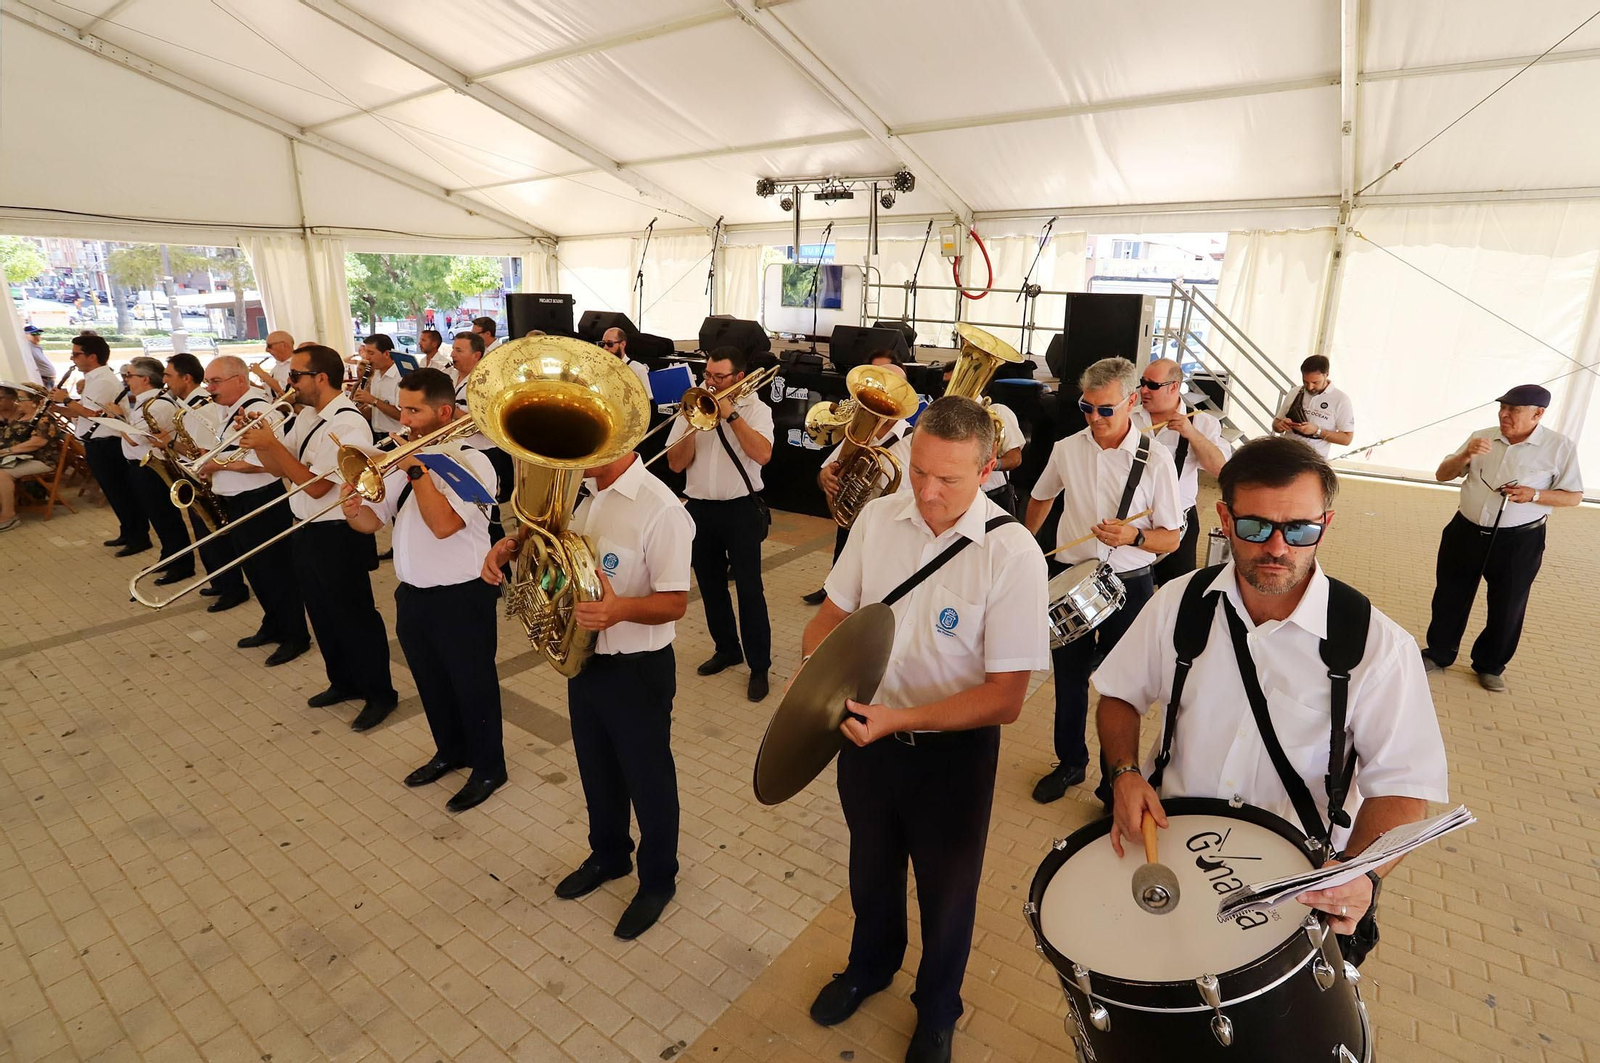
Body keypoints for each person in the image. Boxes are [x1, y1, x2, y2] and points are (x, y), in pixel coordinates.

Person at [1094, 436, 1448, 961]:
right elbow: (1119, 695)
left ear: (1325, 525)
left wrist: (1362, 874)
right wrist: (1123, 773)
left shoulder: (1377, 647)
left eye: (1300, 530)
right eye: (1256, 526)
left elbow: (1402, 788)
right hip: (1170, 855)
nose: (1278, 548)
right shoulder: (1179, 605)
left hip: (1292, 889)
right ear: (1224, 517)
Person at [802, 397, 1050, 1063]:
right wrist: (815, 680)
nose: (929, 492)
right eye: (919, 473)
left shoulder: (1014, 554)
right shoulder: (879, 519)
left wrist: (901, 719)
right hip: (864, 737)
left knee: (947, 889)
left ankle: (938, 1005)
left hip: (952, 756)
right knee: (870, 868)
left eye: (949, 479)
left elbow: (1006, 698)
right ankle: (870, 965)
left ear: (988, 468)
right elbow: (830, 615)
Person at [486, 429, 695, 939]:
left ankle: (658, 879)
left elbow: (675, 602)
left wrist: (619, 608)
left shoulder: (660, 509)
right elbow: (556, 550)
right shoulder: (586, 495)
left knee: (648, 777)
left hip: (638, 671)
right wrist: (513, 547)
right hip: (586, 660)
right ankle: (609, 855)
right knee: (595, 766)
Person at [342, 368, 506, 812]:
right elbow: (370, 523)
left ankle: (490, 766)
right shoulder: (402, 457)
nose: (404, 419)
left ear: (444, 412)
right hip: (412, 593)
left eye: (414, 410)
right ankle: (451, 751)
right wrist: (351, 507)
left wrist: (417, 469)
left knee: (473, 685)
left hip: (462, 595)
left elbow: (444, 525)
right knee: (432, 682)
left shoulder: (473, 462)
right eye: (403, 408)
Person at [1024, 357, 1183, 805]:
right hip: (1072, 577)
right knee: (1068, 680)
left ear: (1132, 402)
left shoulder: (1156, 461)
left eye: (1106, 409)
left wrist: (1134, 535)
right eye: (1086, 407)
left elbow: (1170, 538)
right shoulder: (1068, 448)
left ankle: (1117, 779)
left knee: (1123, 688)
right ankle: (1071, 763)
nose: (1095, 418)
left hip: (1130, 584)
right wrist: (1025, 548)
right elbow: (1040, 497)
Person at [240, 344, 397, 729]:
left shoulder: (347, 425)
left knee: (353, 615)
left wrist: (274, 446)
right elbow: (282, 466)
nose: (287, 382)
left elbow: (314, 488)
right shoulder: (308, 415)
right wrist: (260, 444)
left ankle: (380, 694)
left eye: (295, 375)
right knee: (321, 613)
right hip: (305, 529)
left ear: (320, 378)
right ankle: (342, 681)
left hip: (339, 532)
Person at [1420, 384, 1583, 692]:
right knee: (1450, 595)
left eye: (1514, 410)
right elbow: (1443, 474)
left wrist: (1534, 494)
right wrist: (1466, 454)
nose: (1505, 415)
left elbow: (1573, 497)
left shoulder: (1559, 447)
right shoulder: (1482, 437)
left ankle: (1490, 665)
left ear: (1538, 413)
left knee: (1507, 606)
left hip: (1518, 541)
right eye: (1503, 408)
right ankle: (1439, 653)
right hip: (1465, 531)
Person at [666, 346, 775, 701]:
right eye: (707, 375)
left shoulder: (758, 410)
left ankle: (759, 665)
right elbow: (676, 465)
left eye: (718, 377)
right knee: (711, 586)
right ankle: (727, 648)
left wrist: (730, 416)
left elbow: (762, 454)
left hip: (741, 509)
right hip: (700, 509)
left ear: (738, 378)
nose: (708, 382)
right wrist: (695, 425)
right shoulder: (692, 407)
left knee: (749, 589)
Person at [195, 356, 310, 666]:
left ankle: (295, 636)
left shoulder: (259, 410)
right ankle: (273, 624)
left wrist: (216, 464)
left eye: (215, 381)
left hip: (259, 500)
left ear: (240, 381)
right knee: (256, 570)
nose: (209, 387)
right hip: (237, 500)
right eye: (208, 381)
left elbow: (265, 465)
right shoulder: (230, 409)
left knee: (276, 573)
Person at [802, 353, 913, 606]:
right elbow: (828, 472)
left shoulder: (914, 440)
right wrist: (825, 477)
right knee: (842, 605)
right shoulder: (857, 430)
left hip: (894, 539)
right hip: (852, 530)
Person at [1130, 358, 1231, 584]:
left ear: (1174, 387)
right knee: (1133, 586)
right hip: (1133, 518)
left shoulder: (1202, 422)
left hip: (1178, 520)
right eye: (1142, 383)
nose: (1144, 390)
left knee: (1178, 587)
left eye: (1153, 385)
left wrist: (1191, 434)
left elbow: (1221, 468)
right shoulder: (1130, 419)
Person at [161, 352, 248, 610]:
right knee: (205, 536)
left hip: (212, 479)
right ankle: (220, 581)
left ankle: (231, 586)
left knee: (215, 536)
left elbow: (207, 448)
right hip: (202, 475)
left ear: (186, 378)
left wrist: (171, 445)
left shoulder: (204, 408)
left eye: (168, 375)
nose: (164, 381)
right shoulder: (193, 405)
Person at [49, 334, 149, 554]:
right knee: (114, 492)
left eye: (76, 354)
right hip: (97, 443)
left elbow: (93, 414)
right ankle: (128, 531)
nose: (72, 358)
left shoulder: (103, 380)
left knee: (122, 492)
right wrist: (53, 407)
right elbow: (82, 415)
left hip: (108, 443)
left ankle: (139, 537)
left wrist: (65, 399)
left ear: (92, 356)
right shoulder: (95, 379)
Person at [120, 357, 195, 585]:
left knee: (166, 517)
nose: (126, 380)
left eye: (129, 376)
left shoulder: (159, 403)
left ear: (144, 379)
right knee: (157, 517)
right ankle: (168, 557)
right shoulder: (143, 401)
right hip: (141, 467)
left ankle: (182, 564)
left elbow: (135, 438)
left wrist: (117, 418)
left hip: (155, 468)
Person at [0, 389, 64, 531]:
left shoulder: (44, 418)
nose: (17, 401)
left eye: (21, 399)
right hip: (21, 458)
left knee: (3, 474)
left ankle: (9, 515)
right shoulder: (22, 416)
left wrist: (8, 451)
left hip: (41, 460)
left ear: (35, 402)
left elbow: (37, 442)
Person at [1271, 354, 1354, 459]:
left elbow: (1346, 439)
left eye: (1315, 382)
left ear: (1326, 374)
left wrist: (1317, 431)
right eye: (1305, 382)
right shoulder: (1295, 392)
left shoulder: (1341, 400)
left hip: (1314, 460)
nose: (1310, 387)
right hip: (1286, 454)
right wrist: (1280, 425)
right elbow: (1276, 423)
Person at [350, 333, 405, 443]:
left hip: (396, 438)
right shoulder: (375, 374)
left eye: (371, 353)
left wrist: (373, 400)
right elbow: (377, 411)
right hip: (376, 435)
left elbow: (402, 415)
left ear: (386, 354)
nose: (367, 357)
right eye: (366, 352)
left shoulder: (401, 377)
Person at [600, 327, 652, 391]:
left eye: (610, 344)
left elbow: (647, 399)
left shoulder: (637, 369)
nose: (605, 347)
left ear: (622, 344)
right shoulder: (601, 369)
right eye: (602, 343)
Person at [250, 330, 295, 399]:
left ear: (284, 345)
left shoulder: (295, 365)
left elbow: (284, 393)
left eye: (269, 346)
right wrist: (248, 382)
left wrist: (262, 374)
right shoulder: (277, 366)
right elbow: (269, 392)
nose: (266, 350)